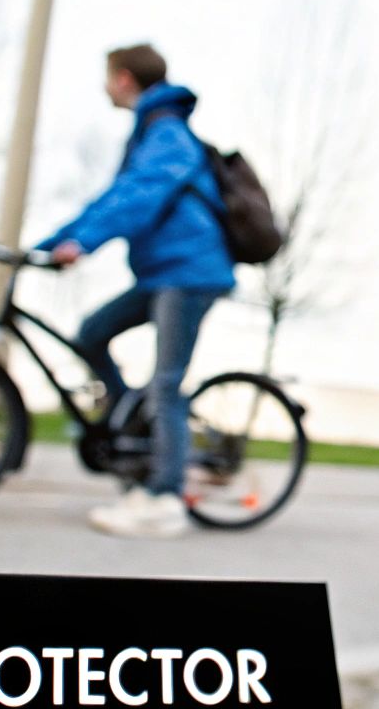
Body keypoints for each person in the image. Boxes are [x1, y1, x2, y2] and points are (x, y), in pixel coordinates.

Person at [37, 44, 235, 538]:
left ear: (124, 78)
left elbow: (140, 194)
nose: (105, 86)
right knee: (91, 334)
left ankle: (165, 499)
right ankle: (133, 420)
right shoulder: (150, 130)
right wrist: (51, 243)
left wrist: (83, 242)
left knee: (166, 382)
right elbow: (113, 197)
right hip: (161, 274)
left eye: (108, 77)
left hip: (190, 274)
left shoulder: (168, 132)